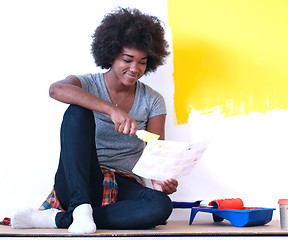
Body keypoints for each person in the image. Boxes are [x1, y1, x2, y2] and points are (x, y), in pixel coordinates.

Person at [11, 7, 178, 234]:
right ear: (111, 54)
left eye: (142, 62)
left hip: (124, 184)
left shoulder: (153, 100)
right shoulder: (88, 84)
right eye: (127, 59)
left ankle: (58, 219)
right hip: (79, 178)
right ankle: (80, 208)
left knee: (160, 206)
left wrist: (161, 182)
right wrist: (111, 110)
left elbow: (156, 155)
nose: (134, 68)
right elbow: (56, 89)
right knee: (77, 112)